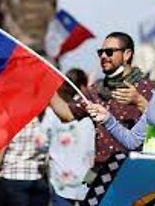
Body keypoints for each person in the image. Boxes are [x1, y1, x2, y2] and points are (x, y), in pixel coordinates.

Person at [50, 32, 155, 169]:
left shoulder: (148, 89)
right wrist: (48, 85)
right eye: (101, 52)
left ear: (127, 54)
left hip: (135, 170)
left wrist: (139, 101)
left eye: (109, 52)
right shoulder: (95, 91)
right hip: (102, 171)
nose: (103, 56)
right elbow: (67, 114)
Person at [40, 68, 95, 206]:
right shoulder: (93, 108)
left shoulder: (53, 111)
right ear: (83, 86)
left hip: (60, 180)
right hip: (89, 178)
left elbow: (41, 143)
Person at [0, 117, 50, 206]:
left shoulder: (9, 121)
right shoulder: (39, 122)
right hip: (36, 177)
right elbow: (45, 150)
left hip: (12, 176)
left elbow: (0, 152)